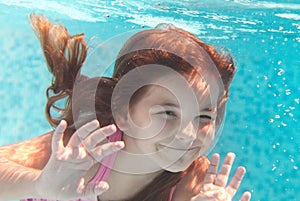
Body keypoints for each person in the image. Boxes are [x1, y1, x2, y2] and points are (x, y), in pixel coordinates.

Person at [0, 14, 251, 201]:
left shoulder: (195, 183)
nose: (187, 134)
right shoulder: (86, 152)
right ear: (123, 112)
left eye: (205, 116)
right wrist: (40, 183)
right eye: (168, 112)